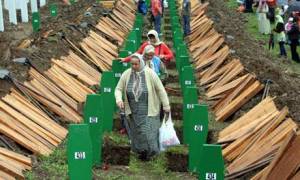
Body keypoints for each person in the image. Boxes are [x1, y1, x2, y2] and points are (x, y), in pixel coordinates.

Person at [115, 53, 170, 161]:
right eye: (132, 64)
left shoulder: (150, 74)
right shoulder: (126, 74)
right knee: (136, 132)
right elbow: (118, 89)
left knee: (148, 132)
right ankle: (141, 152)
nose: (134, 66)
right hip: (133, 109)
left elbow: (160, 90)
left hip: (148, 108)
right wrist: (119, 99)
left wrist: (166, 105)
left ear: (141, 62)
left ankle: (152, 153)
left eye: (136, 64)